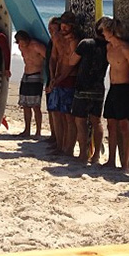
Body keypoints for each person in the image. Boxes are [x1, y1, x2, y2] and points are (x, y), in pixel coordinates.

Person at [60, 16, 111, 164]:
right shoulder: (108, 46)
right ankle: (96, 156)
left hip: (83, 85)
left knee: (80, 121)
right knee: (97, 121)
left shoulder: (86, 43)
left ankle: (83, 154)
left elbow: (72, 61)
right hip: (99, 86)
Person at [101, 18, 129, 172]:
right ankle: (111, 160)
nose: (102, 33)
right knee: (111, 124)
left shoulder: (125, 48)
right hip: (113, 88)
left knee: (124, 125)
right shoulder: (108, 47)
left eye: (104, 30)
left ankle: (125, 164)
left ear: (111, 31)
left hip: (126, 88)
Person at [48, 12, 81, 155]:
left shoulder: (74, 41)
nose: (64, 26)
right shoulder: (57, 37)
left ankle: (68, 148)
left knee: (68, 116)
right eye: (63, 24)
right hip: (57, 78)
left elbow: (71, 64)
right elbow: (53, 58)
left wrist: (59, 78)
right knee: (57, 114)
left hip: (69, 79)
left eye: (67, 24)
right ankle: (59, 145)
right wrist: (52, 77)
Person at [15, 30, 47, 138]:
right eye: (20, 42)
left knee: (35, 105)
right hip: (26, 75)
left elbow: (49, 57)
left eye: (23, 42)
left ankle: (38, 131)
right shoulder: (21, 47)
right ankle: (27, 130)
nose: (22, 44)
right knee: (25, 105)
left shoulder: (36, 46)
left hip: (36, 75)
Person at [44, 17, 61, 143]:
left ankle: (57, 138)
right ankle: (53, 135)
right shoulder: (51, 40)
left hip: (57, 78)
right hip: (50, 77)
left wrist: (53, 79)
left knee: (57, 110)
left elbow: (56, 61)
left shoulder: (58, 41)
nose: (51, 31)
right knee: (50, 108)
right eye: (49, 28)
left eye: (53, 29)